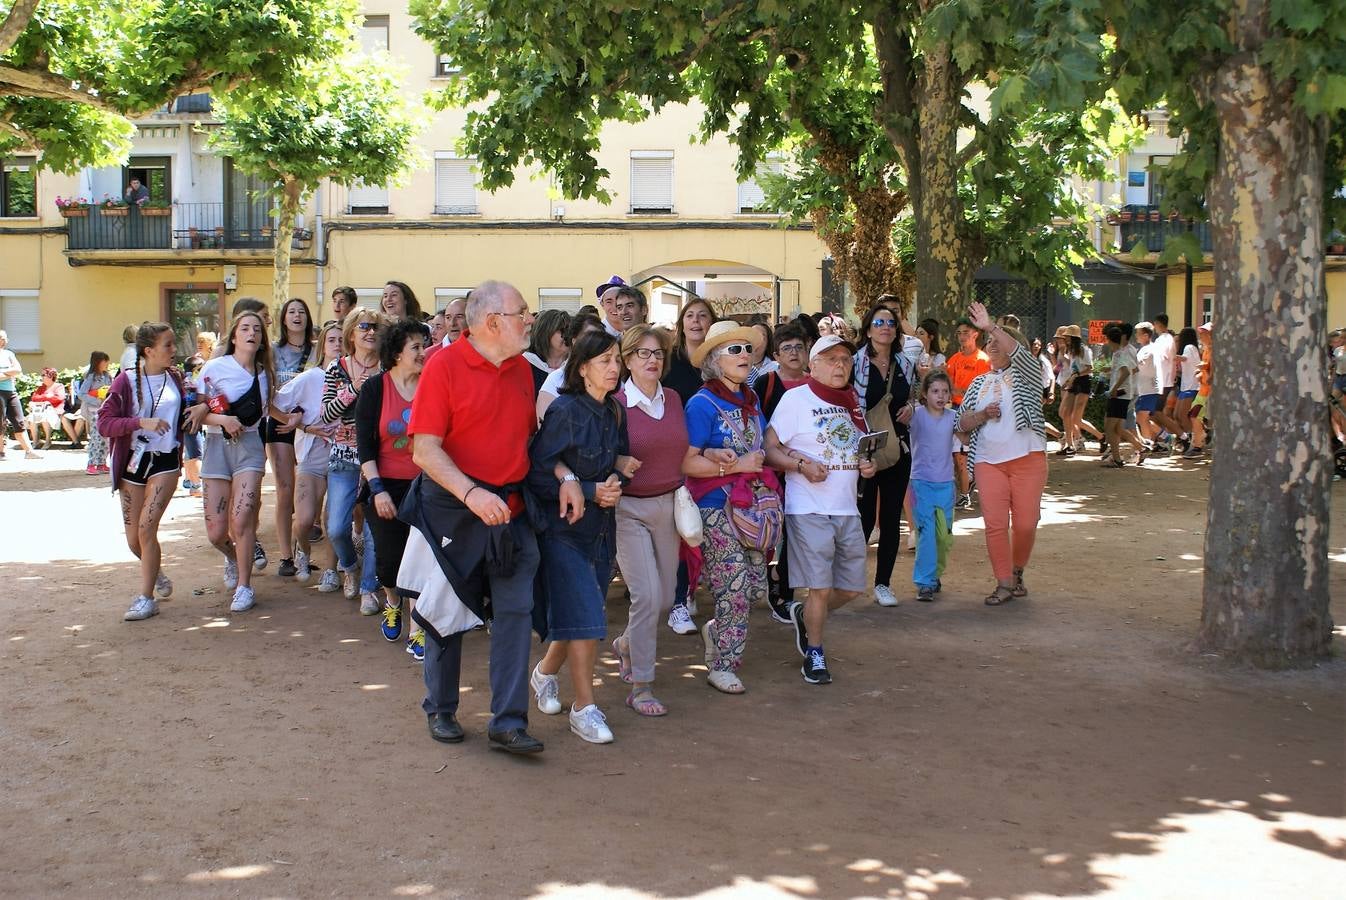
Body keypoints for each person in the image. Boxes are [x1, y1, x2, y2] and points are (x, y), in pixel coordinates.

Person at [403, 280, 544, 753]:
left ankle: (508, 721)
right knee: (447, 612)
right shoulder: (442, 366)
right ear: (491, 323)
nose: (529, 319)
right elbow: (424, 450)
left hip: (510, 511)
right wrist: (471, 493)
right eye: (522, 312)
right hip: (452, 508)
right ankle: (440, 708)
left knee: (515, 612)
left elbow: (528, 439)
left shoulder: (524, 370)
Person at [528, 330, 633, 743]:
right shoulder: (565, 410)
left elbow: (612, 464)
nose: (614, 367)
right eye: (604, 360)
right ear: (582, 367)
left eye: (616, 359)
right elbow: (538, 471)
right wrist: (588, 489)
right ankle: (584, 708)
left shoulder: (613, 412)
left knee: (576, 618)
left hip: (601, 532)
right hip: (562, 533)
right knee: (589, 618)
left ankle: (543, 674)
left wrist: (616, 476)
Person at [764, 334, 876, 685]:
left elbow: (860, 449)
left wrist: (866, 464)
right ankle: (815, 652)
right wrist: (799, 467)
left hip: (847, 508)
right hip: (807, 506)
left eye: (845, 358)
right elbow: (769, 449)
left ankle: (805, 616)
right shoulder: (796, 399)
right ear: (813, 366)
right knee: (820, 586)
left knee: (852, 588)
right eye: (830, 359)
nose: (840, 365)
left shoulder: (852, 402)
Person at [681, 319, 774, 694]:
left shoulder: (750, 402)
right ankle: (722, 665)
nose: (745, 355)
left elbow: (766, 446)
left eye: (747, 349)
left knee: (754, 590)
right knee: (734, 589)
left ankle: (719, 630)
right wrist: (733, 464)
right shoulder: (701, 404)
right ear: (715, 361)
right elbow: (686, 462)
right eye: (734, 350)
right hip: (716, 506)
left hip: (751, 507)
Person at [610, 326, 687, 716]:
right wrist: (616, 463)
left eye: (657, 353)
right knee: (646, 597)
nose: (652, 359)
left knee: (666, 597)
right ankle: (642, 686)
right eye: (642, 353)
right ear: (626, 360)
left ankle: (626, 644)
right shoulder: (615, 404)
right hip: (628, 510)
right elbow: (598, 455)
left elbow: (683, 451)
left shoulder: (673, 399)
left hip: (669, 507)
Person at [954, 302, 1048, 607]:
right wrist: (981, 415)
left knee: (1025, 523)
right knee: (995, 525)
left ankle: (1018, 571)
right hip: (987, 461)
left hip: (1028, 459)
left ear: (1013, 346)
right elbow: (961, 424)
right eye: (989, 341)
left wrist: (991, 326)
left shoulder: (1029, 374)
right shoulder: (979, 382)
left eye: (996, 341)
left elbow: (1021, 356)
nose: (990, 345)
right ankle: (1004, 582)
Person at [97, 323, 184, 621]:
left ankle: (146, 598)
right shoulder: (125, 381)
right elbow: (104, 424)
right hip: (133, 463)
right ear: (149, 351)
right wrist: (139, 423)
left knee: (147, 529)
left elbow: (190, 411)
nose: (174, 351)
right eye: (168, 345)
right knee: (134, 540)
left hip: (165, 461)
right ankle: (155, 572)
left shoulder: (177, 378)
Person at [356, 317, 430, 654]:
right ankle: (391, 600)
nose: (423, 352)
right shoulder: (374, 389)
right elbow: (366, 447)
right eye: (416, 347)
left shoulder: (431, 385)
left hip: (426, 486)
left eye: (424, 345)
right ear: (398, 353)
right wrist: (378, 489)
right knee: (389, 562)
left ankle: (418, 628)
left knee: (420, 560)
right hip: (384, 485)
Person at [199, 310, 278, 613]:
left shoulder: (264, 374)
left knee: (242, 518)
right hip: (217, 445)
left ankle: (245, 586)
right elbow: (196, 410)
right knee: (216, 532)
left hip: (250, 447)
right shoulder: (214, 367)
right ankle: (232, 556)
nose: (252, 333)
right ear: (234, 336)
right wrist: (224, 419)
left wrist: (303, 421)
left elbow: (273, 408)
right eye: (245, 328)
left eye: (257, 329)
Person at [853, 299, 921, 608]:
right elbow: (848, 405)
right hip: (866, 449)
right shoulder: (855, 363)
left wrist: (910, 407)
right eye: (879, 323)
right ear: (867, 330)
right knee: (864, 520)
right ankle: (850, 581)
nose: (885, 328)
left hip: (898, 448)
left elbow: (913, 397)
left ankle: (883, 583)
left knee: (892, 517)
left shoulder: (905, 363)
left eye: (891, 323)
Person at [319, 307, 384, 612]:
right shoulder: (337, 368)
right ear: (351, 334)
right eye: (364, 327)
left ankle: (369, 589)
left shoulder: (388, 369)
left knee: (372, 529)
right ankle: (348, 566)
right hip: (343, 456)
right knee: (335, 528)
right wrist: (354, 390)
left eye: (375, 327)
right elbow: (327, 413)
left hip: (380, 457)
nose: (370, 332)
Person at [752, 322, 811, 621]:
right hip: (772, 470)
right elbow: (756, 423)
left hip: (806, 472)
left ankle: (783, 592)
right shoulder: (766, 383)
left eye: (799, 347)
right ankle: (757, 581)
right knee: (768, 531)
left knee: (797, 533)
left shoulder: (815, 384)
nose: (794, 353)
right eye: (787, 348)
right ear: (776, 354)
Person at [276, 322, 342, 584]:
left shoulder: (355, 379)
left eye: (341, 340)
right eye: (332, 340)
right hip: (312, 456)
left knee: (334, 522)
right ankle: (302, 550)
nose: (337, 345)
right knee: (303, 520)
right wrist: (303, 425)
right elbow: (273, 403)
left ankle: (331, 570)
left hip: (342, 456)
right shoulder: (310, 378)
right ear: (323, 346)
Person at [267, 298, 315, 578]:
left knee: (308, 491)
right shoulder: (272, 352)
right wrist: (286, 418)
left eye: (301, 311)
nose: (297, 316)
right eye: (291, 312)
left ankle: (303, 548)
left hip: (311, 426)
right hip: (280, 424)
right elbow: (267, 390)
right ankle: (286, 555)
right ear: (283, 319)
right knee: (286, 488)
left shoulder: (318, 349)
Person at [907, 370, 958, 601]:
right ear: (925, 394)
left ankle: (934, 574)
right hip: (920, 483)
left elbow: (966, 437)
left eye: (945, 391)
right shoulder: (915, 415)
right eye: (935, 391)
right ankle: (925, 582)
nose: (940, 395)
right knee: (926, 534)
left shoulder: (952, 417)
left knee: (943, 536)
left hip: (946, 484)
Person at [946, 317, 991, 508]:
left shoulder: (983, 360)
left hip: (977, 411)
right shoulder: (954, 359)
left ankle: (970, 490)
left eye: (966, 332)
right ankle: (964, 491)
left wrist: (962, 393)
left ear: (975, 334)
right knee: (958, 455)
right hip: (956, 411)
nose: (962, 336)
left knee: (974, 453)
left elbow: (985, 389)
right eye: (959, 333)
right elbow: (949, 387)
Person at [536, 312, 604, 420]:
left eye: (600, 338)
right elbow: (546, 428)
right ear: (574, 340)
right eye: (588, 337)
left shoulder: (609, 376)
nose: (594, 343)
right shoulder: (556, 379)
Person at [662, 297, 718, 407]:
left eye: (702, 315)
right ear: (682, 326)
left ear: (712, 324)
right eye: (689, 315)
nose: (695, 320)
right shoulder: (666, 359)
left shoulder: (722, 360)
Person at [180, 331, 216, 497]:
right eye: (198, 342)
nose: (199, 345)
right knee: (195, 451)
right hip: (193, 417)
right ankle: (196, 484)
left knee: (193, 450)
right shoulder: (193, 378)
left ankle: (191, 480)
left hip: (195, 418)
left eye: (202, 342)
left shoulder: (209, 362)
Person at [1100, 325, 1141, 469]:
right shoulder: (1122, 353)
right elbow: (1130, 369)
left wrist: (1114, 388)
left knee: (1110, 427)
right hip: (1124, 395)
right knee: (1116, 428)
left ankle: (1117, 458)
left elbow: (1126, 372)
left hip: (1119, 395)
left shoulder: (1120, 354)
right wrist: (1112, 370)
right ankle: (1140, 449)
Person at [0, 330, 39, 460]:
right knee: (1, 422)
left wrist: (3, 373)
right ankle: (1, 452)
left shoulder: (9, 354)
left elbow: (18, 370)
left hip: (11, 392)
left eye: (5, 338)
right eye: (1, 338)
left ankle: (29, 452)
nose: (3, 340)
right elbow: (12, 372)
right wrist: (9, 373)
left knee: (19, 421)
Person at [522, 309, 570, 395]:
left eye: (569, 331)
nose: (567, 335)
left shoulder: (575, 366)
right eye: (562, 330)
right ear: (545, 333)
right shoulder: (525, 365)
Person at [78, 351, 113, 472]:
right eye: (104, 361)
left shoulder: (108, 376)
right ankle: (91, 463)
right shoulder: (91, 376)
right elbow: (82, 393)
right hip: (94, 410)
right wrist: (97, 400)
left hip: (106, 410)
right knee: (96, 437)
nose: (107, 364)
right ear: (98, 362)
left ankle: (102, 462)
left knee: (106, 436)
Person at [1132, 322, 1164, 449]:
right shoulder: (1144, 349)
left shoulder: (1149, 349)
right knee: (1140, 418)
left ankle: (1146, 444)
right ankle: (1165, 436)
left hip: (1149, 389)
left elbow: (1137, 366)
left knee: (1141, 417)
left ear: (1146, 335)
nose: (1136, 336)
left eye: (1138, 333)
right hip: (1144, 389)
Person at [1173, 326, 1201, 451]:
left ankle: (1193, 439)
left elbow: (1184, 359)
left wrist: (1170, 356)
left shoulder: (1189, 348)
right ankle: (1185, 438)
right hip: (1186, 386)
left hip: (1191, 386)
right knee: (1177, 415)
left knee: (1183, 415)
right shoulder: (1191, 348)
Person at [26, 368, 65, 450]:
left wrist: (43, 398)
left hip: (55, 411)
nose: (41, 377)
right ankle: (35, 441)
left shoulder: (58, 386)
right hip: (40, 411)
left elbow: (59, 398)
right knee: (32, 418)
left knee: (45, 417)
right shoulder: (41, 387)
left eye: (43, 375)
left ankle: (48, 440)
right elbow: (34, 398)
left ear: (51, 376)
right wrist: (47, 397)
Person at [914, 318, 946, 384]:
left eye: (921, 334)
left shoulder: (939, 358)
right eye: (916, 333)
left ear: (931, 337)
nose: (917, 336)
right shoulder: (913, 354)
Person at [746, 320, 778, 385]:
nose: (756, 341)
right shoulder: (738, 364)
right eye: (753, 335)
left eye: (762, 337)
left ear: (768, 343)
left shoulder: (775, 367)